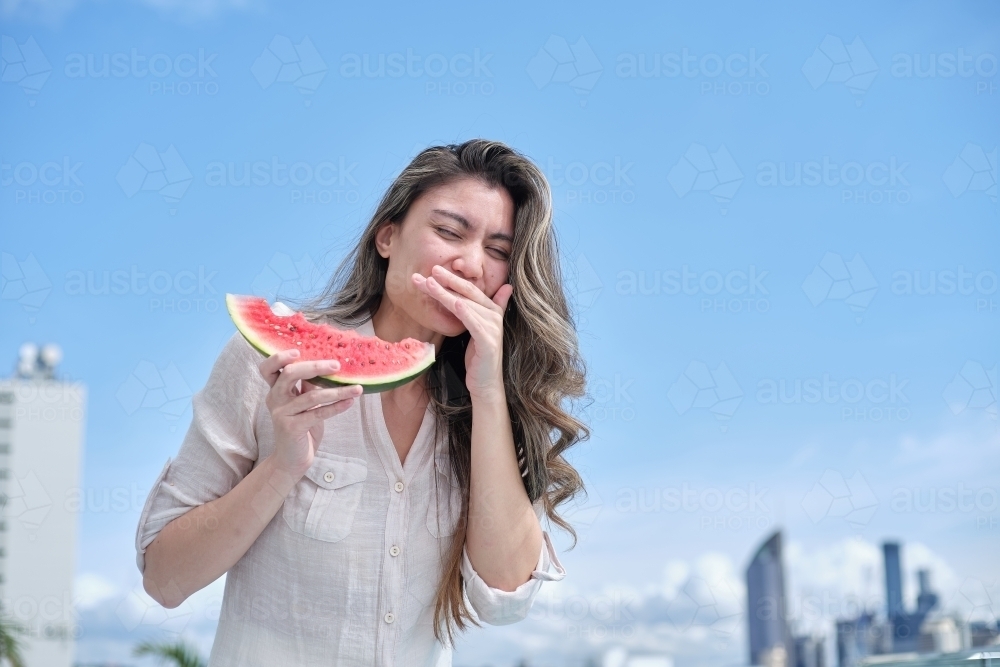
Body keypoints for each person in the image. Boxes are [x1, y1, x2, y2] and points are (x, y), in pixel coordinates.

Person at [135, 139, 589, 666]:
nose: (469, 265)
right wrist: (281, 466)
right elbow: (165, 579)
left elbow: (504, 597)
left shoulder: (490, 409)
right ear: (387, 236)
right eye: (448, 231)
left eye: (498, 251)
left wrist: (489, 394)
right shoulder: (271, 363)